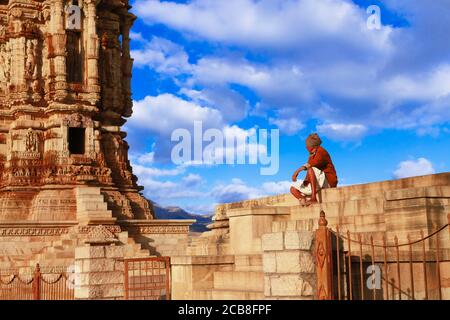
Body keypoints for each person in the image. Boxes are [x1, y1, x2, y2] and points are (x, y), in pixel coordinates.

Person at [290, 133, 338, 206]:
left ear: (311, 146)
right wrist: (301, 197)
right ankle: (302, 199)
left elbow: (311, 165)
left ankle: (314, 198)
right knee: (292, 189)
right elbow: (310, 165)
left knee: (311, 169)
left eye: (307, 146)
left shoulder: (321, 151)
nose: (306, 147)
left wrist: (297, 171)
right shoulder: (312, 155)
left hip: (327, 181)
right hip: (318, 182)